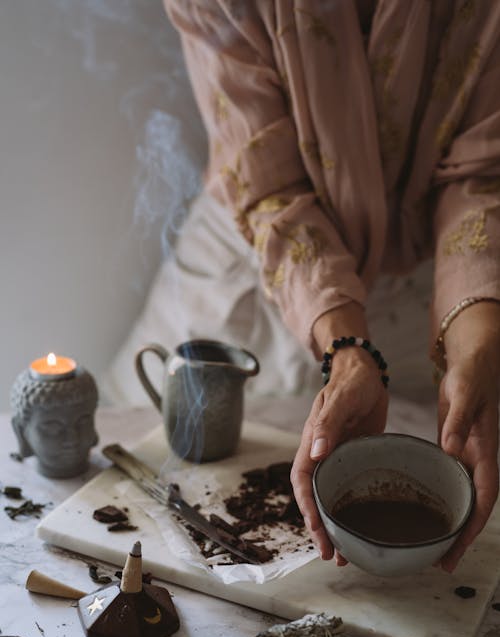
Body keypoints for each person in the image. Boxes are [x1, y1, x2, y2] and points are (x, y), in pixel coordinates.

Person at [162, 0, 500, 572]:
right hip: (256, 259)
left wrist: (477, 347)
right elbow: (271, 189)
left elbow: (482, 175)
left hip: (435, 283)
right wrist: (349, 356)